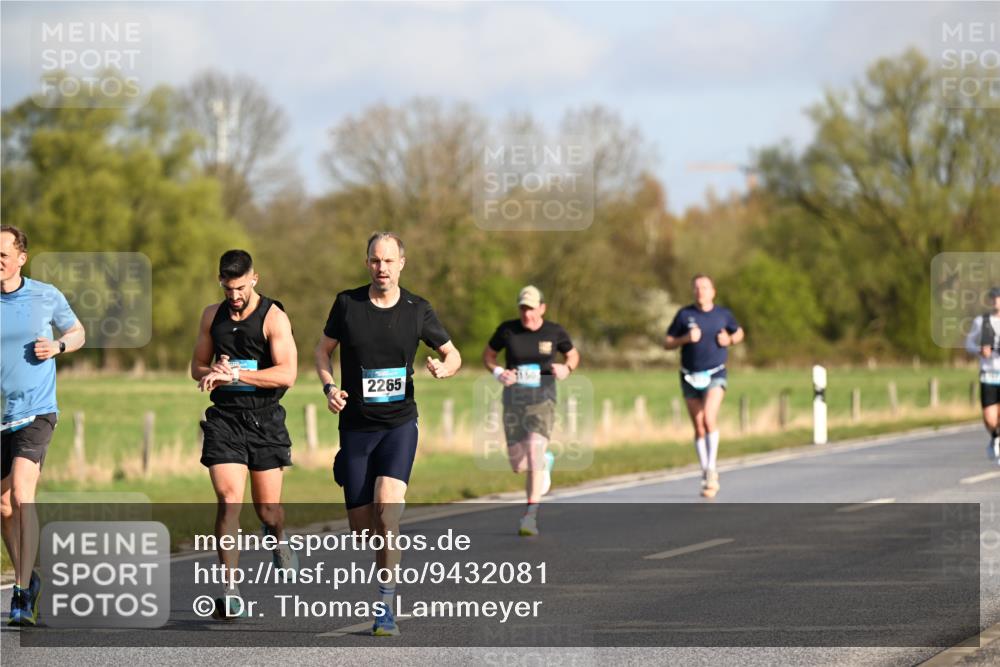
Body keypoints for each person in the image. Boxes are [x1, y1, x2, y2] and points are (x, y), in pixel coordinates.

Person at [315, 232, 461, 637]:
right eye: (375, 261)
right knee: (363, 530)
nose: (382, 268)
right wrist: (330, 388)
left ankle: (386, 602)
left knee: (388, 510)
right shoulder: (347, 304)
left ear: (402, 263)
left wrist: (444, 368)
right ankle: (346, 467)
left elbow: (453, 353)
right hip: (357, 427)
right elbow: (321, 351)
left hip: (399, 425)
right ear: (367, 264)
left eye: (389, 260)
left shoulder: (418, 309)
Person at [190, 249, 299, 620]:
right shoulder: (211, 316)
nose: (234, 296)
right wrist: (212, 368)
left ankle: (277, 537)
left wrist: (236, 374)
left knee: (268, 510)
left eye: (240, 287)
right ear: (220, 282)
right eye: (227, 288)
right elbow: (196, 366)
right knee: (228, 500)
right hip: (225, 420)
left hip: (266, 420)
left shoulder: (273, 317)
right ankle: (231, 589)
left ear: (254, 278)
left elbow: (287, 374)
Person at [0, 225, 86, 626]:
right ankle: (29, 578)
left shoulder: (45, 295)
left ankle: (19, 594)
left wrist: (59, 346)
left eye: (3, 255)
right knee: (3, 506)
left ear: (21, 258)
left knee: (21, 494)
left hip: (35, 411)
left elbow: (77, 331)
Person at [482, 286, 578, 537]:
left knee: (535, 449)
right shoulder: (507, 330)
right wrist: (498, 372)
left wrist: (567, 368)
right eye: (523, 308)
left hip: (542, 401)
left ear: (542, 308)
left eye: (531, 308)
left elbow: (573, 355)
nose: (527, 314)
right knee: (518, 464)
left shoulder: (554, 331)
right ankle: (546, 462)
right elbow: (489, 355)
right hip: (514, 400)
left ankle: (530, 516)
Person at [664, 274, 744, 498]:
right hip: (689, 375)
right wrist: (685, 339)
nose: (701, 291)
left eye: (705, 287)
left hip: (715, 373)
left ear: (713, 291)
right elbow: (667, 342)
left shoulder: (722, 314)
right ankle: (705, 470)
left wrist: (729, 340)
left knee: (709, 418)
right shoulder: (684, 315)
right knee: (699, 425)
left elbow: (738, 332)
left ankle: (711, 469)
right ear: (693, 291)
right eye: (697, 288)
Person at [965, 286, 1000, 464]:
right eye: (993, 297)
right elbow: (968, 343)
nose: (996, 301)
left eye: (998, 297)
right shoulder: (982, 321)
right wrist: (980, 350)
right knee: (989, 418)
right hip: (989, 375)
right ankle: (995, 436)